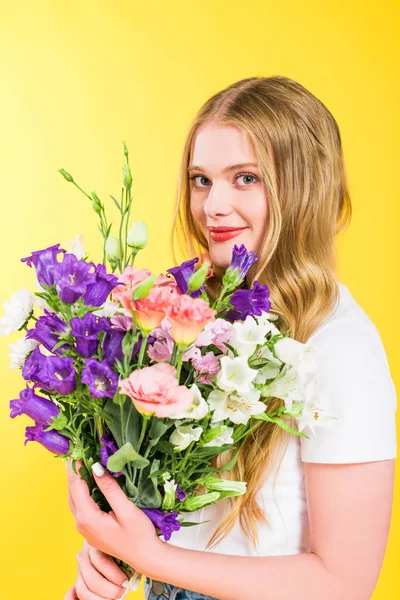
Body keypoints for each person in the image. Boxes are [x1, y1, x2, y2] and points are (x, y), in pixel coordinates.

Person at [65, 76, 397, 600]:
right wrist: (113, 558)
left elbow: (344, 583)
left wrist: (151, 556)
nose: (213, 206)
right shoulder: (202, 321)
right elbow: (190, 529)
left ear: (304, 187)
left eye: (245, 178)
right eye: (201, 179)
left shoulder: (340, 348)